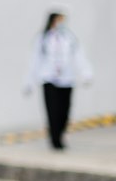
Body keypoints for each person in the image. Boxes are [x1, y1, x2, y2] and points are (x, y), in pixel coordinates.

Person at [23, 9, 93, 150]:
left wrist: (86, 73)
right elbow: (34, 61)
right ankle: (55, 140)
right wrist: (28, 82)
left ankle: (60, 134)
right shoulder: (43, 38)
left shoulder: (70, 38)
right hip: (49, 79)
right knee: (52, 111)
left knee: (64, 112)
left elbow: (79, 57)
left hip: (67, 79)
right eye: (59, 19)